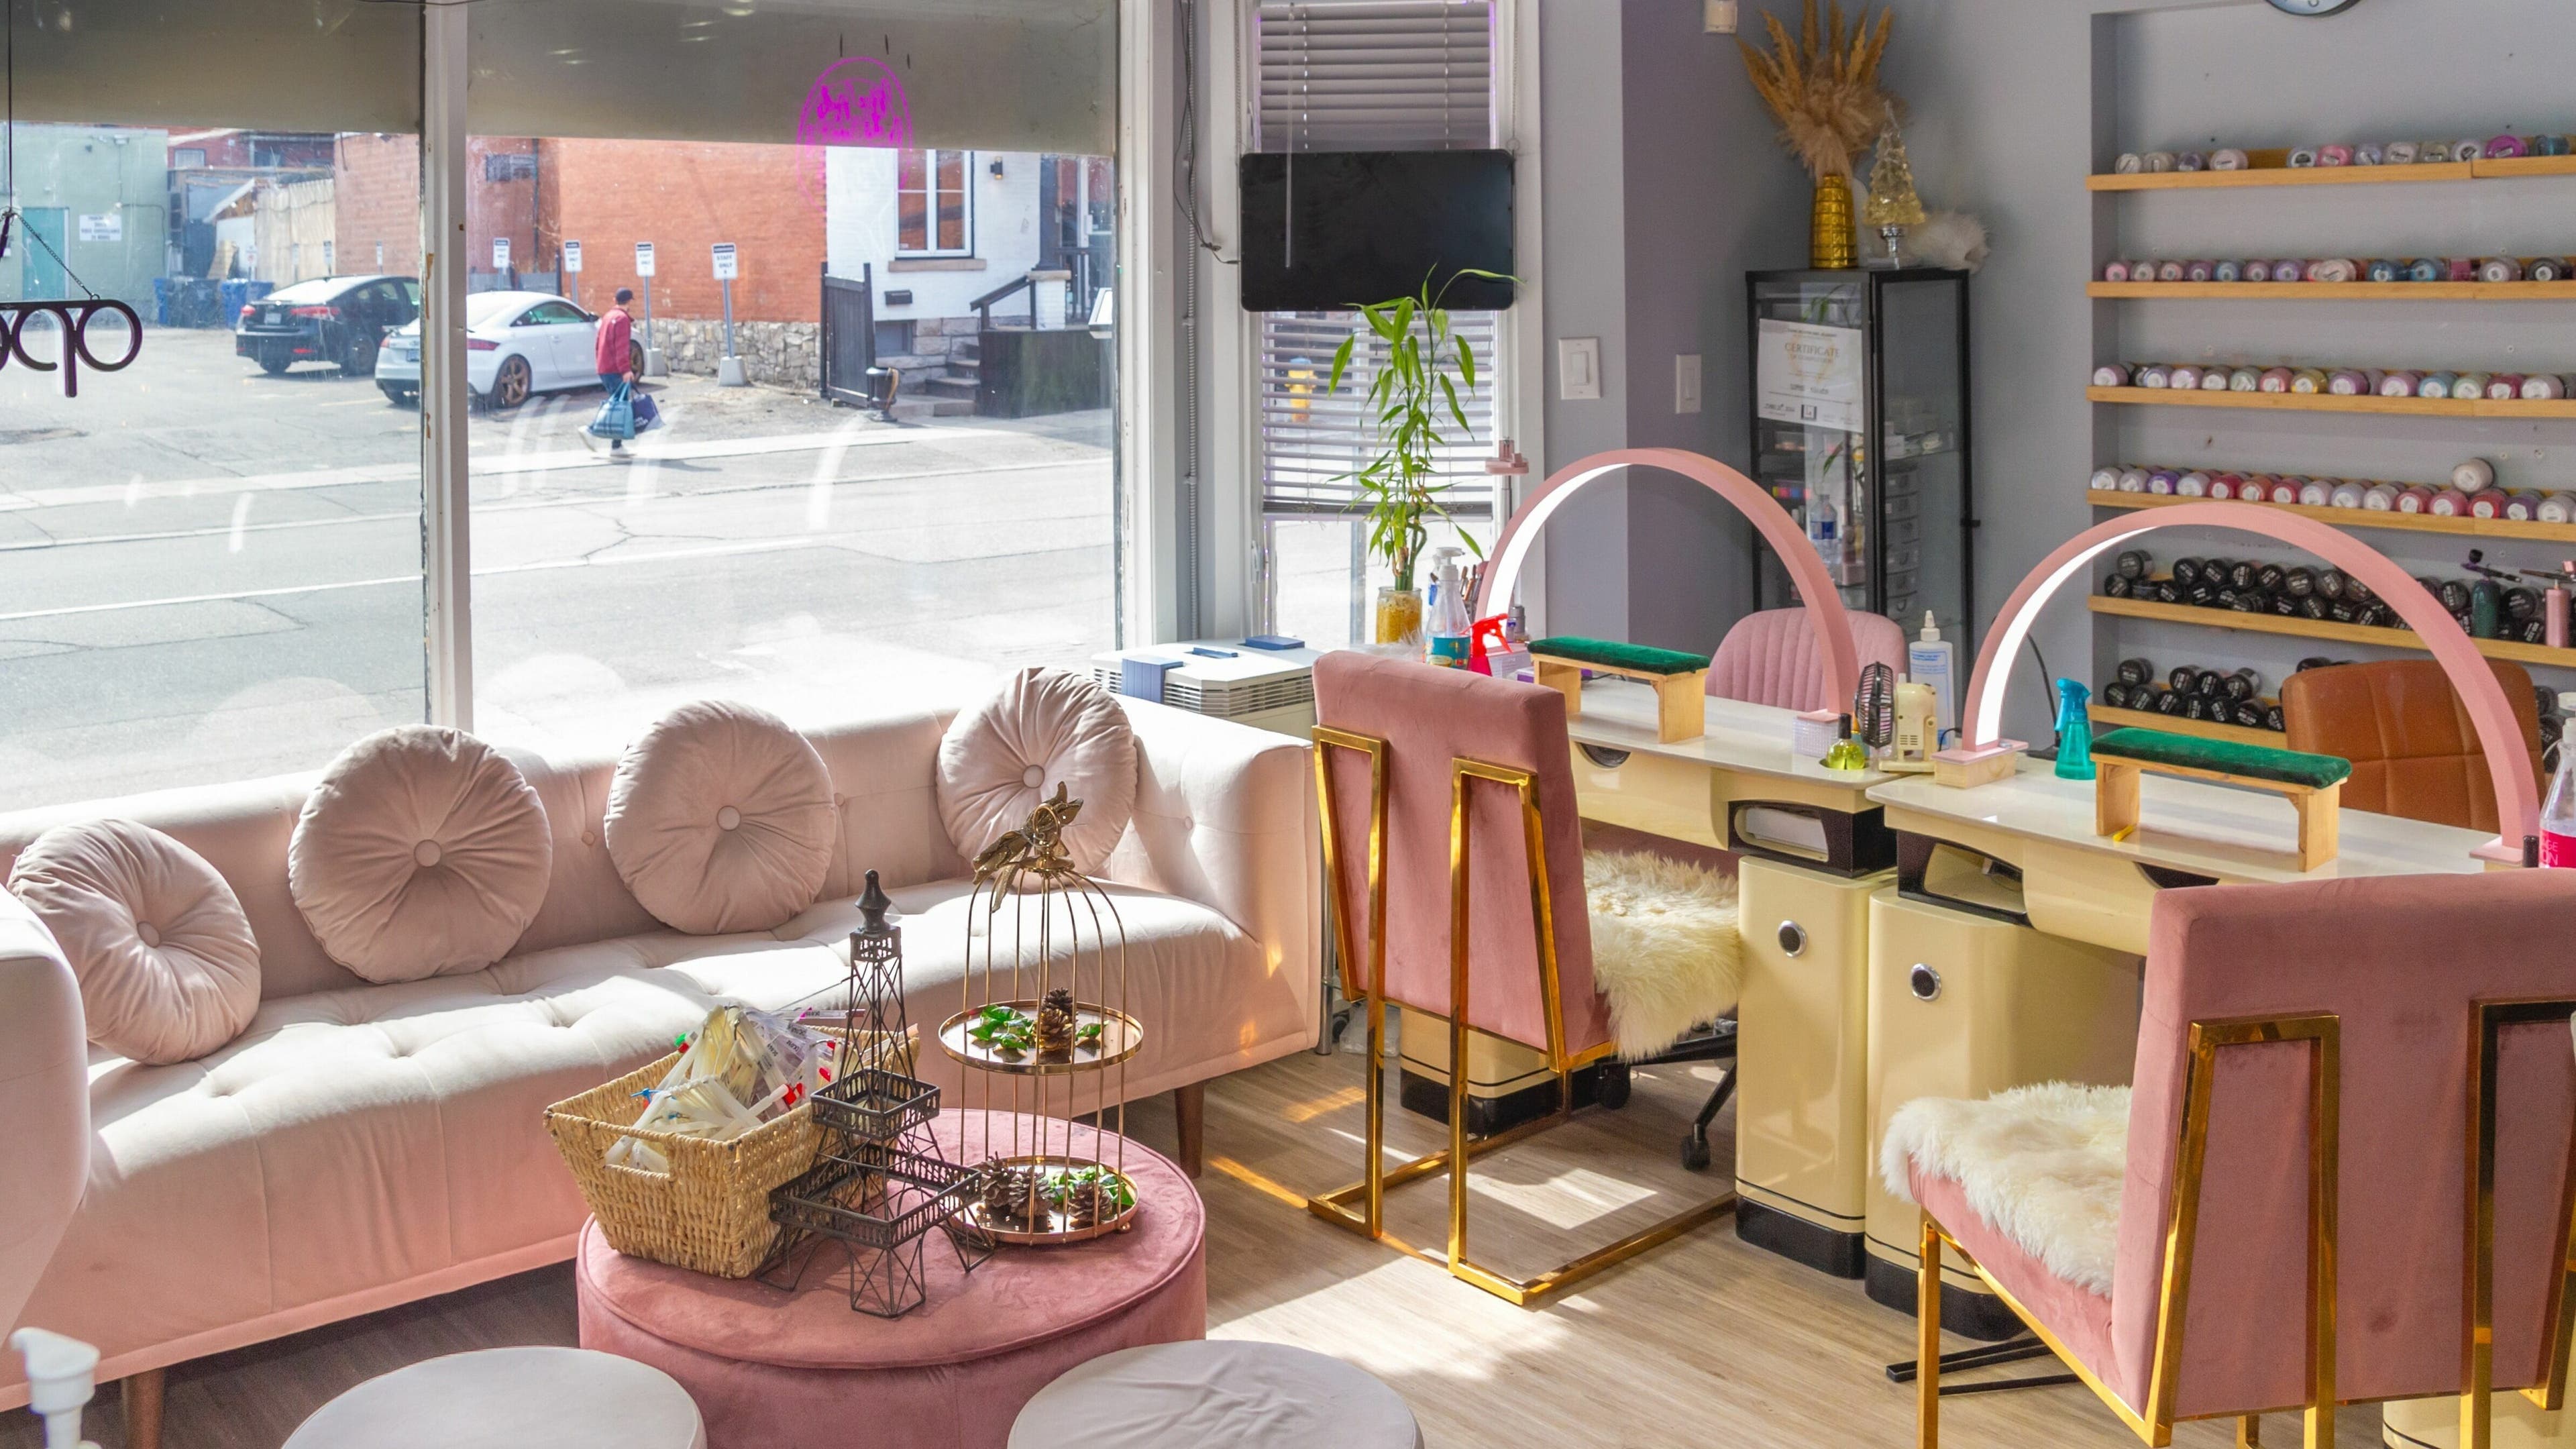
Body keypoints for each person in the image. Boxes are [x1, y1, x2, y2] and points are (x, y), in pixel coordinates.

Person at [591, 287, 656, 458]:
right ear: (629, 302)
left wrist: (600, 364)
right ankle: (602, 437)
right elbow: (622, 348)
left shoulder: (607, 317)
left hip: (604, 367)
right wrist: (626, 370)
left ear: (615, 300)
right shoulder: (622, 320)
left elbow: (598, 344)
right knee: (618, 407)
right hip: (615, 370)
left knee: (616, 405)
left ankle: (615, 444)